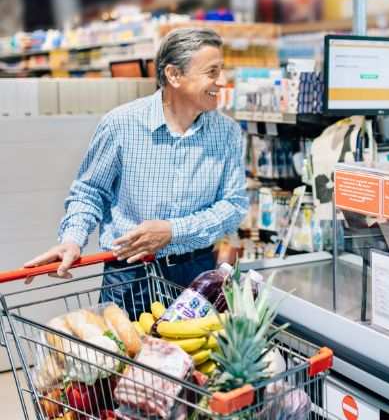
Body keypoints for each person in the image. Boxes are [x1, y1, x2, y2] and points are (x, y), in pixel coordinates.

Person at [24, 27, 248, 317]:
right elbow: (90, 192)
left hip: (197, 274)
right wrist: (72, 239)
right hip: (130, 276)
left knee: (194, 362)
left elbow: (233, 206)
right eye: (212, 71)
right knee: (123, 358)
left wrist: (172, 231)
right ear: (174, 75)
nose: (222, 81)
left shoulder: (227, 133)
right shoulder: (121, 124)